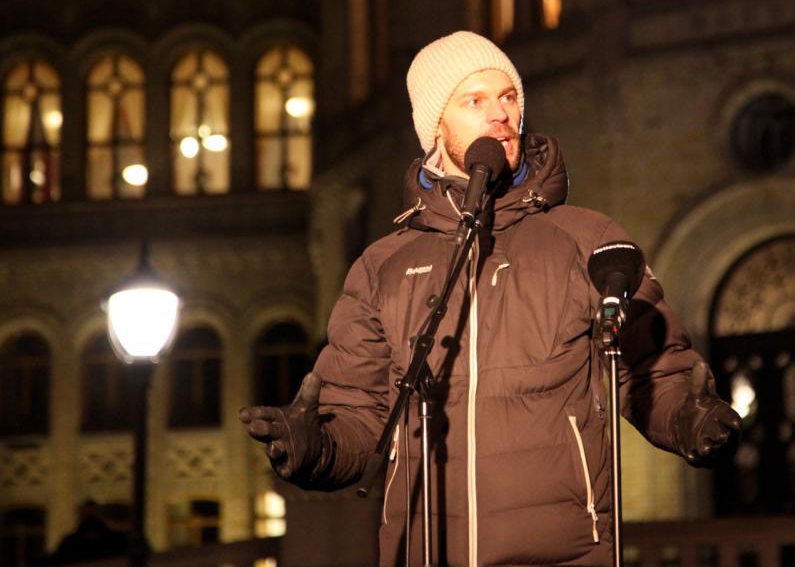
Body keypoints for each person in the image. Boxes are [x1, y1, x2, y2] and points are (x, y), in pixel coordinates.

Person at [240, 30, 741, 567]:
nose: (500, 114)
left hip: (564, 556)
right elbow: (362, 418)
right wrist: (312, 448)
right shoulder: (381, 266)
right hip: (426, 554)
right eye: (474, 101)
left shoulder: (587, 240)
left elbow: (651, 371)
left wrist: (689, 417)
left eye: (508, 98)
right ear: (435, 127)